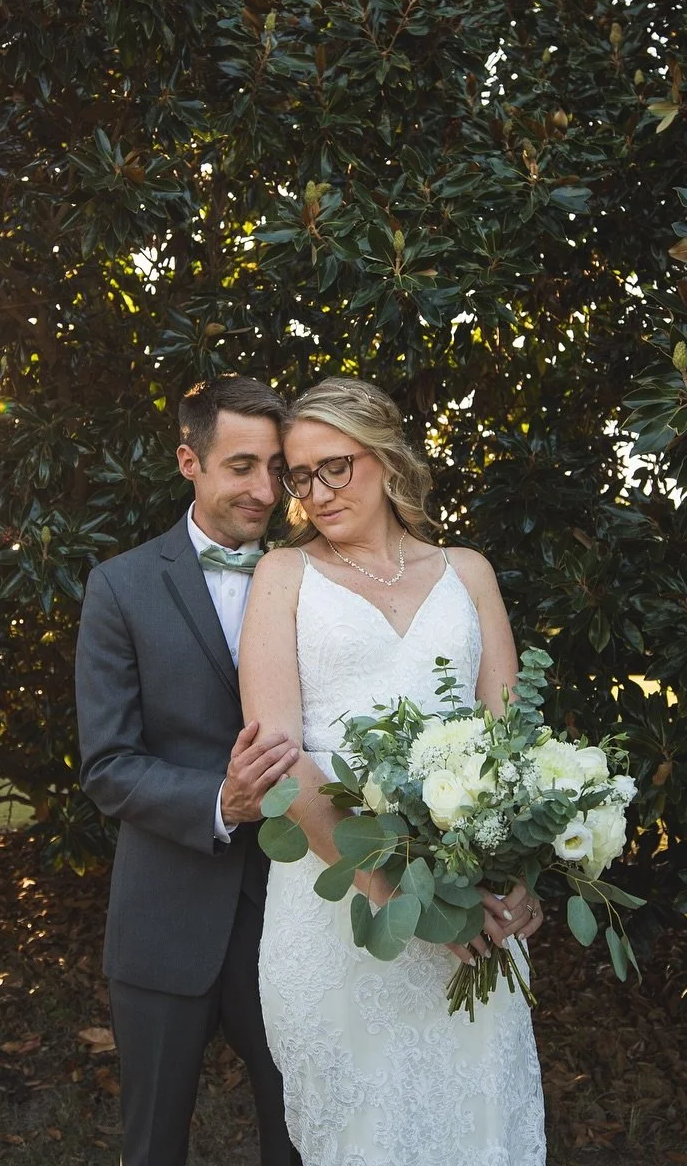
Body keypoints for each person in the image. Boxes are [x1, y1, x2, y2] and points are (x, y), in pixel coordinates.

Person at [239, 376, 547, 1164]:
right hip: (339, 908)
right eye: (299, 477)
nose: (315, 492)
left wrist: (522, 875)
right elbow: (278, 758)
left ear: (384, 455)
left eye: (333, 466)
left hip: (474, 908)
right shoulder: (283, 575)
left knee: (480, 1131)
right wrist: (397, 896)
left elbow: (509, 746)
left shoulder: (467, 570)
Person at [76, 376, 301, 1166]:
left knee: (303, 1135)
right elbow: (107, 764)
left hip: (293, 916)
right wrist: (222, 801)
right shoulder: (122, 586)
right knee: (154, 1148)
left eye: (277, 467)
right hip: (164, 915)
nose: (265, 489)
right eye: (242, 466)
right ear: (189, 462)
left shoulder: (314, 579)